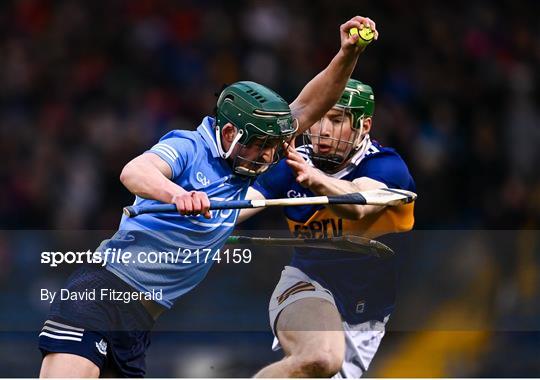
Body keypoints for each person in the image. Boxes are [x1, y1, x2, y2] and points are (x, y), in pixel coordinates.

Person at [37, 16, 378, 378]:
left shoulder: (249, 157)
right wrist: (178, 194)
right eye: (259, 146)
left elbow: (311, 104)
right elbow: (134, 172)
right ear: (229, 131)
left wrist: (348, 53)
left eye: (271, 147)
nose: (267, 156)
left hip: (139, 323)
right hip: (101, 294)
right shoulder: (188, 145)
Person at [239, 78, 416, 378]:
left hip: (367, 315)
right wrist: (190, 211)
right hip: (306, 286)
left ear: (364, 125)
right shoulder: (291, 167)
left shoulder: (387, 166)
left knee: (323, 364)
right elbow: (239, 207)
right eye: (318, 117)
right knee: (322, 356)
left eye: (335, 120)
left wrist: (315, 179)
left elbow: (359, 204)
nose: (321, 129)